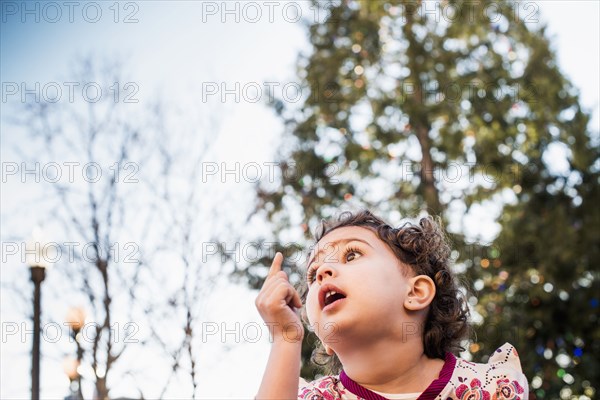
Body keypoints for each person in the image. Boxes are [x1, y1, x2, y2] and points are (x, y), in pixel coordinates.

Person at [255, 210, 528, 400]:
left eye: (351, 254)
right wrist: (285, 338)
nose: (324, 270)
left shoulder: (491, 388)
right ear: (324, 339)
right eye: (313, 274)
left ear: (416, 292)